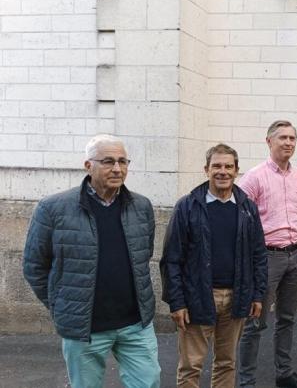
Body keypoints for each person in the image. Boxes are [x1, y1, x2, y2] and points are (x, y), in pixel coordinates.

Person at [23, 134, 160, 388]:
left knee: (148, 381)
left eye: (123, 161)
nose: (117, 169)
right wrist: (60, 303)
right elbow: (34, 265)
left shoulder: (141, 206)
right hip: (85, 327)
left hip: (135, 324)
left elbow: (144, 254)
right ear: (88, 165)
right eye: (108, 161)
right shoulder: (54, 208)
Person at [160, 144, 268, 387]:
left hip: (236, 297)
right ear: (206, 169)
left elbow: (258, 254)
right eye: (216, 166)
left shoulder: (247, 208)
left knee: (227, 363)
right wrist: (177, 302)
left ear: (237, 170)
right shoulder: (187, 206)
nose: (223, 171)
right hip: (197, 296)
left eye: (228, 166)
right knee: (191, 366)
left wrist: (257, 294)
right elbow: (172, 259)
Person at [237, 120, 297, 388]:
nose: (289, 143)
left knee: (287, 319)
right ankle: (246, 381)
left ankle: (284, 373)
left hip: (295, 255)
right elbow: (242, 220)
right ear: (268, 141)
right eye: (282, 137)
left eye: (292, 138)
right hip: (266, 258)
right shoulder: (254, 177)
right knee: (254, 321)